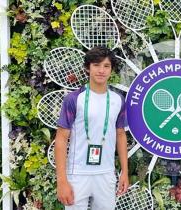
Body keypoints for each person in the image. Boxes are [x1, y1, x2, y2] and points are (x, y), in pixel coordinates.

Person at [55, 46, 129, 210]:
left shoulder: (118, 100)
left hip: (106, 174)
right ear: (87, 68)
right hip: (77, 175)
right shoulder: (74, 99)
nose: (101, 70)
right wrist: (62, 181)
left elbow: (121, 134)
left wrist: (124, 171)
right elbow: (61, 139)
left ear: (111, 70)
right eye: (96, 65)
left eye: (106, 66)